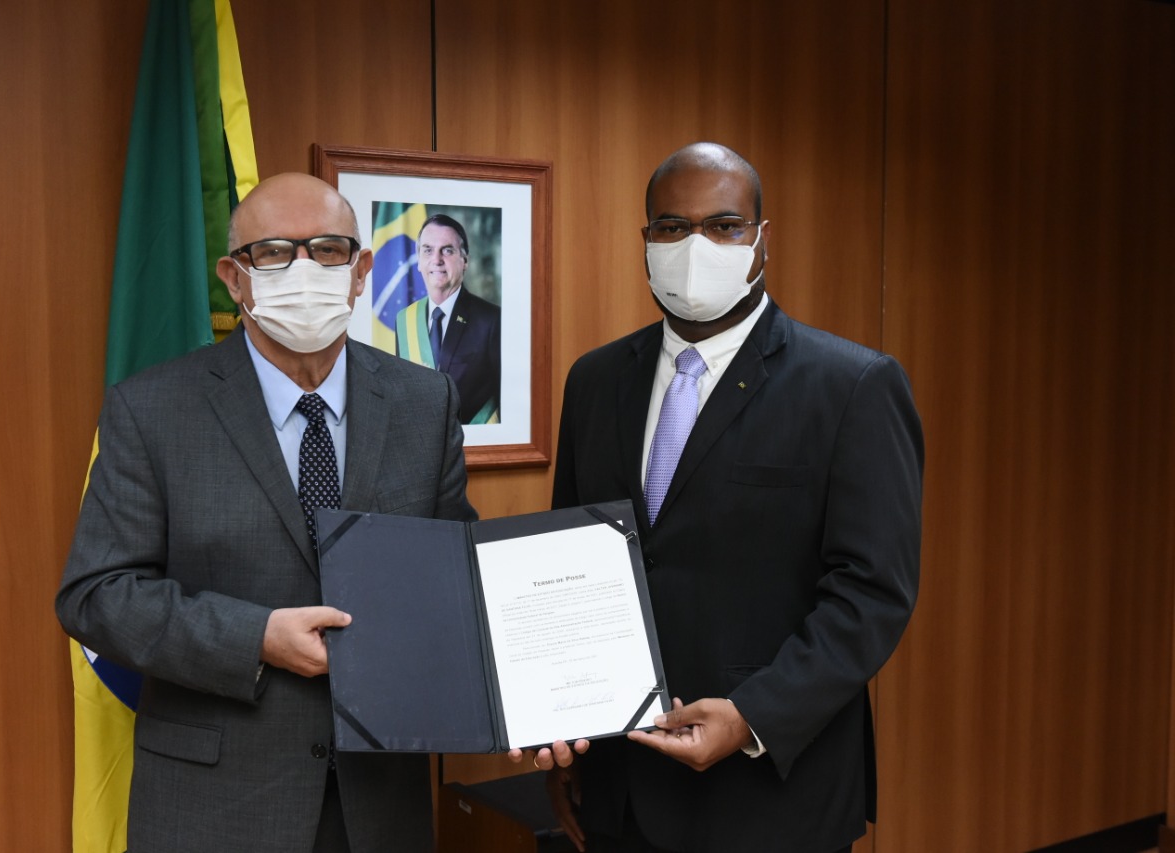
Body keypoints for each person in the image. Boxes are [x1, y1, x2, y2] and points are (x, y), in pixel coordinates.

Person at [514, 142, 924, 853]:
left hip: (772, 796)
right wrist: (564, 742)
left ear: (763, 241)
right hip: (621, 791)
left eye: (725, 225)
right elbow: (568, 566)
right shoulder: (596, 380)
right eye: (671, 227)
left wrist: (754, 715)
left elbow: (873, 592)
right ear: (646, 243)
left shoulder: (853, 386)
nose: (695, 245)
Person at [56, 173, 476, 853]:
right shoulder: (153, 409)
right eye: (276, 252)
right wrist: (255, 636)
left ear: (362, 270)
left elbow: (456, 580)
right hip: (215, 807)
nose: (305, 270)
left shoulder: (426, 403)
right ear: (234, 277)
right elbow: (95, 597)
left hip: (380, 804)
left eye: (330, 251)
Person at [395, 213, 501, 424]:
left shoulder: (492, 320)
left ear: (465, 261)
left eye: (447, 250)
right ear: (418, 261)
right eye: (428, 250)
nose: (436, 260)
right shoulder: (404, 319)